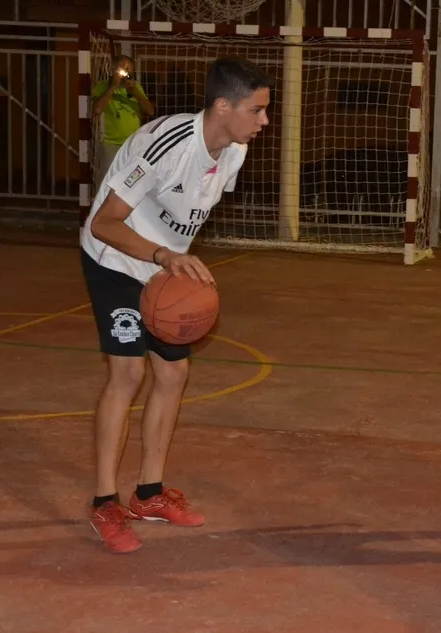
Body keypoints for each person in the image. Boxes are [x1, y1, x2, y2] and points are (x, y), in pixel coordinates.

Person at [80, 56, 272, 554]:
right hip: (114, 258)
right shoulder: (164, 144)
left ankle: (149, 494)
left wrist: (173, 268)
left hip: (160, 268)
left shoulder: (233, 151)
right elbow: (105, 222)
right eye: (256, 110)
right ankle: (104, 503)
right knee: (127, 374)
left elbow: (182, 214)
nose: (264, 121)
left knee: (173, 374)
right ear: (223, 106)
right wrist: (165, 256)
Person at [92, 55, 155, 180]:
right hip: (110, 143)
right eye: (124, 69)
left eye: (130, 70)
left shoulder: (135, 87)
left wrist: (135, 92)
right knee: (108, 180)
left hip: (132, 144)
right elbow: (97, 109)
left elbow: (150, 111)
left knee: (129, 181)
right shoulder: (102, 86)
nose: (127, 73)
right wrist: (113, 87)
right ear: (113, 69)